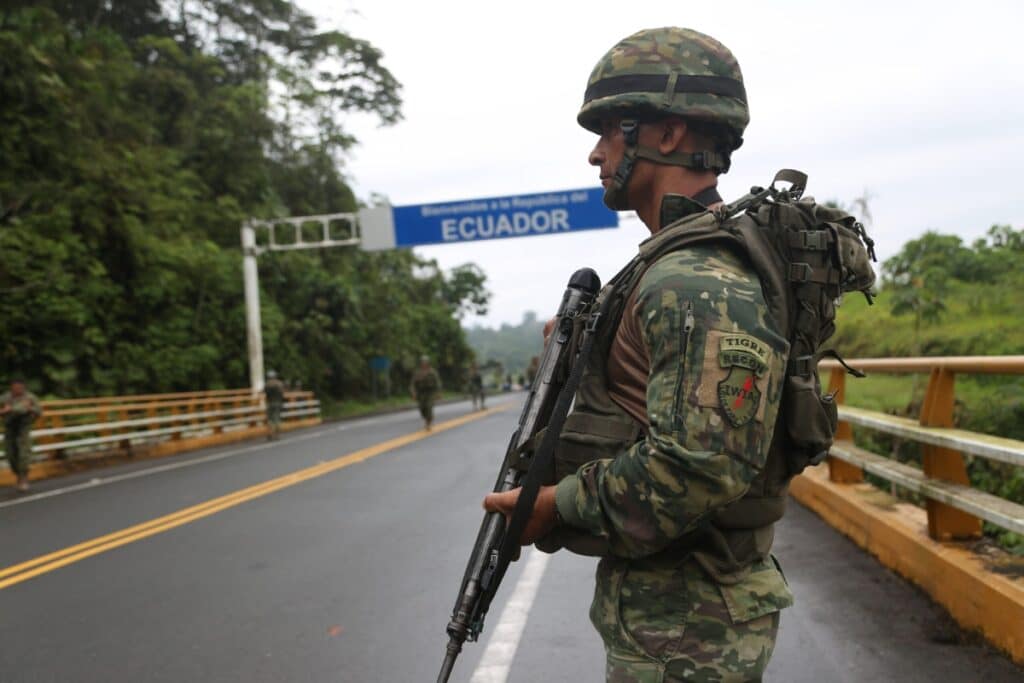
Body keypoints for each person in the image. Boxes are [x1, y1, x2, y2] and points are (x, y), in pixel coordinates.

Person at [485, 28, 797, 682]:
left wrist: (555, 505)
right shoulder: (670, 266)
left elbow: (698, 466)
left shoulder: (694, 280)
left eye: (609, 131)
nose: (596, 153)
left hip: (691, 627)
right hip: (676, 617)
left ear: (669, 134)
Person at [1, 378, 42, 492]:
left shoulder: (30, 397)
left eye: (20, 387)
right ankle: (18, 475)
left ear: (24, 387)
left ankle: (23, 478)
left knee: (24, 454)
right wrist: (5, 410)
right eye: (15, 387)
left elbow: (39, 412)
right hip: (9, 429)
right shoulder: (5, 398)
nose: (17, 390)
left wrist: (30, 409)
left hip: (23, 428)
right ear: (11, 388)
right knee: (11, 454)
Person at [410, 355, 441, 430]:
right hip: (421, 393)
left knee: (429, 407)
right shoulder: (417, 372)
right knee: (422, 408)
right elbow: (413, 384)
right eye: (422, 362)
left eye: (425, 362)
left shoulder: (432, 372)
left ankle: (428, 422)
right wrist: (413, 392)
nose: (424, 363)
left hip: (430, 392)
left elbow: (437, 383)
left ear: (428, 363)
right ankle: (428, 418)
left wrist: (438, 393)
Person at [264, 370, 285, 441]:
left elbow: (265, 393)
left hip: (269, 403)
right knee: (277, 419)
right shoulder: (279, 384)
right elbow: (282, 394)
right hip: (278, 403)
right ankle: (277, 434)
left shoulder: (267, 384)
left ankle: (270, 433)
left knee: (270, 419)